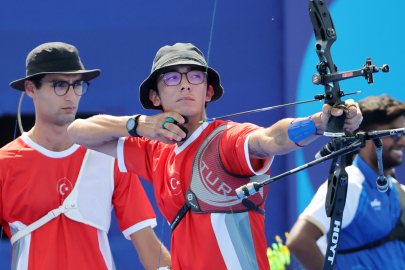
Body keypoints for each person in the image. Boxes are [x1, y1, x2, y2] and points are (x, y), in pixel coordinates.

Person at [67, 43, 362, 270]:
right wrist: (139, 124)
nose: (185, 84)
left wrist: (318, 124)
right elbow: (78, 132)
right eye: (171, 77)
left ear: (208, 92)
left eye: (194, 76)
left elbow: (270, 139)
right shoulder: (155, 150)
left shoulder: (226, 139)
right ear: (155, 98)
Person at [0, 42, 171, 270]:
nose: (71, 95)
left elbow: (150, 249)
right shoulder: (4, 163)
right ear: (31, 89)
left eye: (78, 85)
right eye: (59, 85)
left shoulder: (110, 157)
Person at [286, 95, 405, 270]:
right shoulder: (350, 184)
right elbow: (299, 241)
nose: (402, 141)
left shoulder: (398, 190)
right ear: (366, 137)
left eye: (402, 133)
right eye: (393, 134)